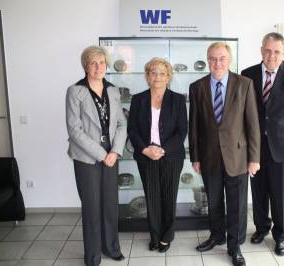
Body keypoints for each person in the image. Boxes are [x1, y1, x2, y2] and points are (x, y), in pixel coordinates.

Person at [189, 42, 260, 266]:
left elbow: (253, 124)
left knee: (237, 205)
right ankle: (216, 235)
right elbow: (194, 126)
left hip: (238, 157)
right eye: (212, 58)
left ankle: (235, 246)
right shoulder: (197, 87)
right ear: (207, 60)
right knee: (215, 201)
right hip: (209, 156)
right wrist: (195, 156)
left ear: (229, 60)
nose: (216, 63)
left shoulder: (245, 84)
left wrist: (254, 158)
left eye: (221, 58)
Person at [241, 32, 284, 256]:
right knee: (259, 191)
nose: (272, 55)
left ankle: (281, 237)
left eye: (277, 51)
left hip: (283, 145)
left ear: (283, 52)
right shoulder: (248, 74)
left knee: (281, 196)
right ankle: (262, 228)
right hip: (256, 146)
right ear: (261, 50)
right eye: (268, 50)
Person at [66, 46, 127, 266]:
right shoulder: (75, 91)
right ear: (86, 66)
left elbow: (121, 123)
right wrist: (103, 154)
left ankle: (111, 247)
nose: (98, 67)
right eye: (93, 63)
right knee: (92, 207)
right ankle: (92, 255)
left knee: (110, 204)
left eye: (101, 62)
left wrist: (116, 151)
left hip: (112, 155)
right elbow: (74, 130)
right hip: (87, 158)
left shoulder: (113, 90)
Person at [128, 57, 187, 253]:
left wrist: (163, 150)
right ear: (147, 76)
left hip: (170, 156)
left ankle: (166, 236)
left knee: (169, 197)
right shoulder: (138, 99)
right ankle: (155, 236)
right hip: (146, 155)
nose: (157, 77)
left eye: (162, 73)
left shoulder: (178, 99)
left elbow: (182, 131)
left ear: (168, 76)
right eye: (153, 73)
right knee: (152, 197)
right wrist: (145, 149)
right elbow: (132, 129)